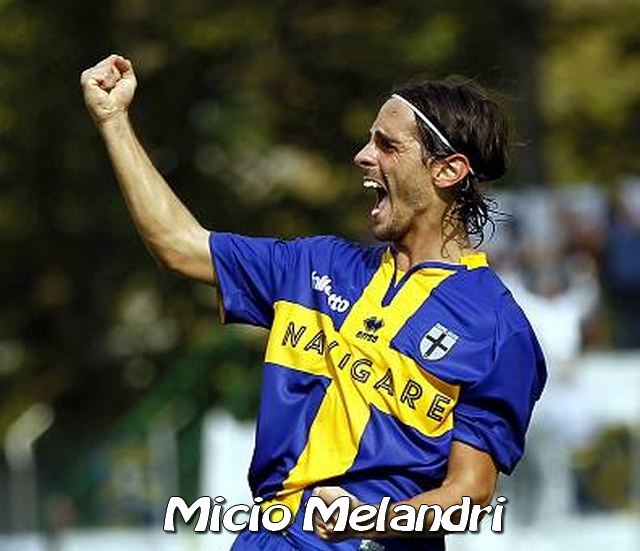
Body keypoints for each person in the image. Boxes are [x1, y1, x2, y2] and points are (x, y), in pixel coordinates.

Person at [81, 54, 546, 551]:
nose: (362, 156)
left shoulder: (499, 329)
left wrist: (369, 520)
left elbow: (470, 492)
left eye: (387, 145)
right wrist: (113, 120)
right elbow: (178, 245)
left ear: (448, 169)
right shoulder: (313, 265)